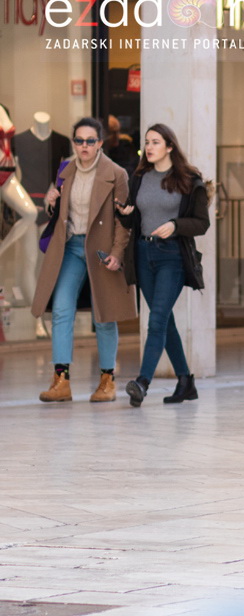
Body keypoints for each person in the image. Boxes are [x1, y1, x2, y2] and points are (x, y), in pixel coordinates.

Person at [31, 117, 136, 403]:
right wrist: (51, 201)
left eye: (90, 141)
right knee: (62, 309)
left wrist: (117, 254)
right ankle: (61, 381)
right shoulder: (66, 169)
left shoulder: (116, 174)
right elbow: (60, 216)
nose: (84, 146)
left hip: (101, 252)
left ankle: (107, 381)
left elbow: (123, 222)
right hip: (71, 248)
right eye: (79, 140)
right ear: (74, 142)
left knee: (104, 315)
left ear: (100, 143)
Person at [117, 124, 211, 407]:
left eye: (155, 142)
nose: (149, 147)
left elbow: (202, 223)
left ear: (170, 146)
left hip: (172, 256)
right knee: (164, 320)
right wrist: (124, 214)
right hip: (143, 254)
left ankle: (143, 382)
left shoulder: (189, 180)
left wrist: (175, 225)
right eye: (147, 142)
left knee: (156, 320)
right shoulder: (140, 177)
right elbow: (134, 220)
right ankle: (186, 382)